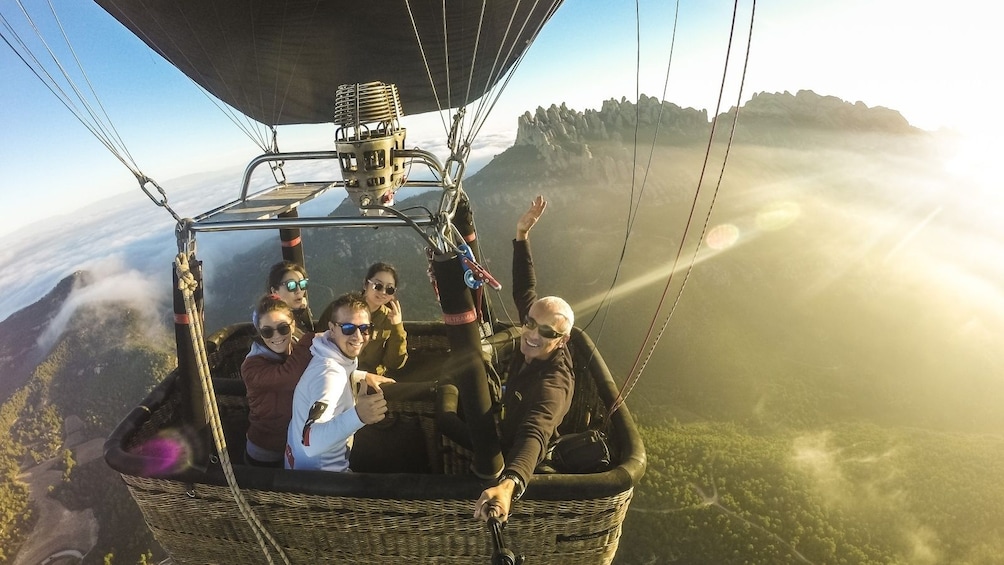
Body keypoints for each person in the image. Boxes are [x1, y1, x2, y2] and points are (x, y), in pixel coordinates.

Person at [473, 195, 575, 523]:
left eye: (546, 332)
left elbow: (537, 430)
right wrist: (522, 237)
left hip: (517, 454)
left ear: (562, 341)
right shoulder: (535, 326)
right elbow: (524, 290)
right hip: (508, 423)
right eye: (529, 322)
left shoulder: (553, 384)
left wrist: (509, 484)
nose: (531, 333)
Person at [285, 292, 395, 472]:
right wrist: (359, 415)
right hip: (321, 483)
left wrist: (361, 375)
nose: (358, 337)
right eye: (348, 328)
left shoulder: (328, 352)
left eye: (365, 328)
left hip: (300, 466)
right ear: (332, 328)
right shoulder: (330, 376)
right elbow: (310, 443)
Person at [241, 294, 314, 467]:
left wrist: (361, 375)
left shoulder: (296, 348)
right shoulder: (251, 366)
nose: (276, 336)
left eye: (282, 328)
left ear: (293, 325)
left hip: (296, 446)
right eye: (267, 331)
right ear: (259, 332)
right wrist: (311, 338)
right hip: (266, 453)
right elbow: (290, 376)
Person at [319, 262, 408, 376]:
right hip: (336, 373)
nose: (383, 292)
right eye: (378, 286)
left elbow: (395, 363)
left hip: (372, 381)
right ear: (366, 284)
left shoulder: (389, 319)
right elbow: (319, 343)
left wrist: (397, 327)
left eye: (389, 289)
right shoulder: (340, 309)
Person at [267, 260, 315, 332]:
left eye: (302, 284)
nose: (298, 290)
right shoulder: (273, 325)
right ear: (274, 291)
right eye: (291, 285)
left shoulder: (301, 312)